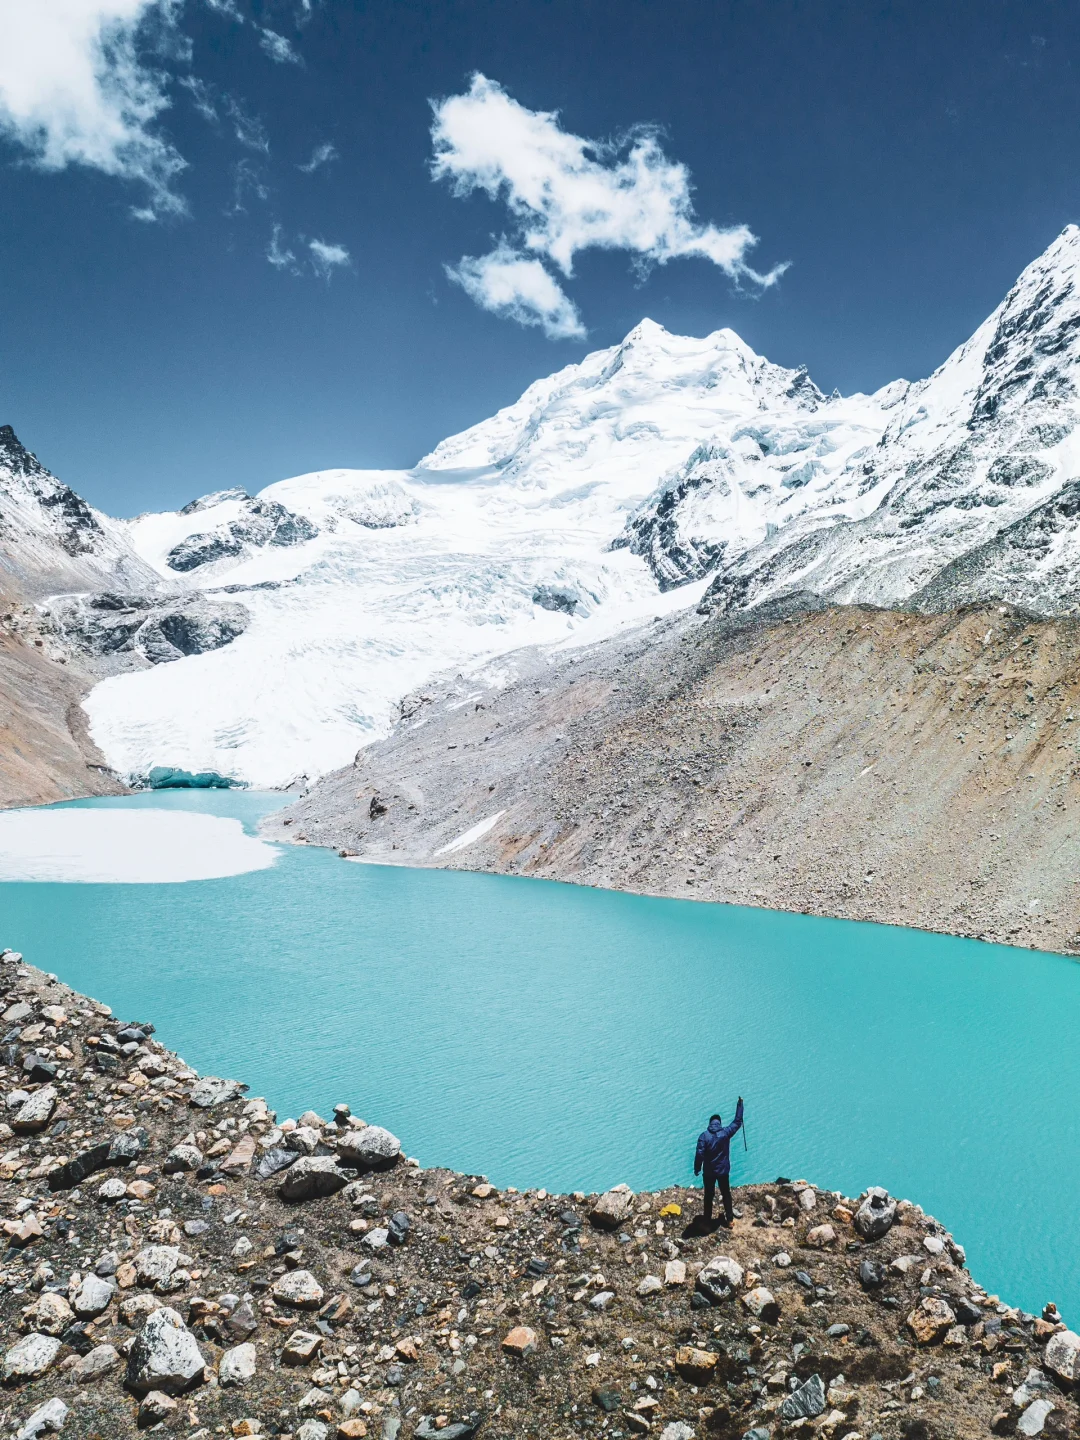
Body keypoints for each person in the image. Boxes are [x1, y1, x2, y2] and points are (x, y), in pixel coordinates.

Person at [694, 1097, 744, 1227]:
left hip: (709, 1172)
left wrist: (697, 1168)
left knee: (708, 1196)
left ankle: (707, 1221)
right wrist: (740, 1104)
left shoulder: (704, 1136)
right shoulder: (725, 1133)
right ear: (719, 1123)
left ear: (710, 1123)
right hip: (723, 1171)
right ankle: (730, 1220)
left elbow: (699, 1153)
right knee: (726, 1194)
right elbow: (737, 1121)